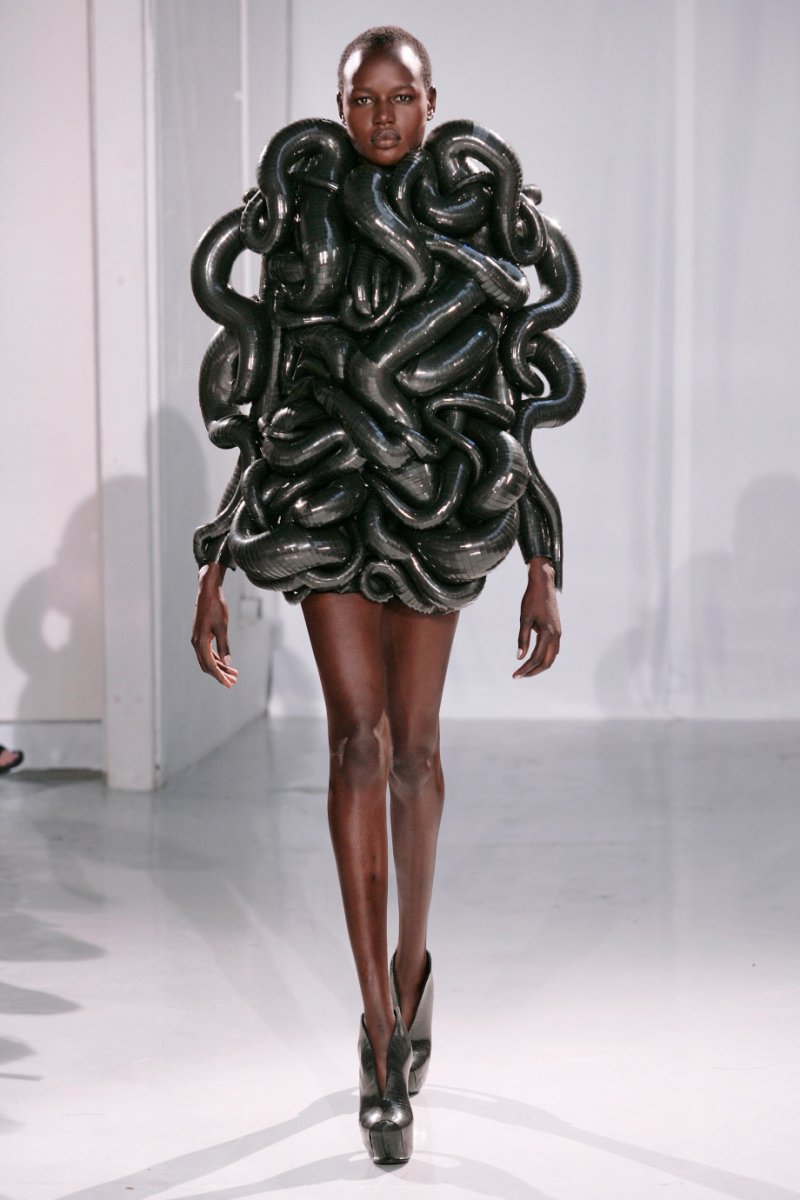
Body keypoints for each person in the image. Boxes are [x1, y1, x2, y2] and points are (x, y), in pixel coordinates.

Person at [191, 26, 570, 1164]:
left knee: (415, 749)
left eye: (400, 98)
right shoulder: (300, 212)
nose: (382, 119)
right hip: (321, 499)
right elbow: (263, 392)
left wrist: (540, 561)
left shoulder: (476, 217)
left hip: (432, 503)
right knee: (356, 743)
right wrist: (215, 561)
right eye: (363, 100)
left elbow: (511, 402)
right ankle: (379, 1030)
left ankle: (413, 969)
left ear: (431, 100)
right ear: (340, 103)